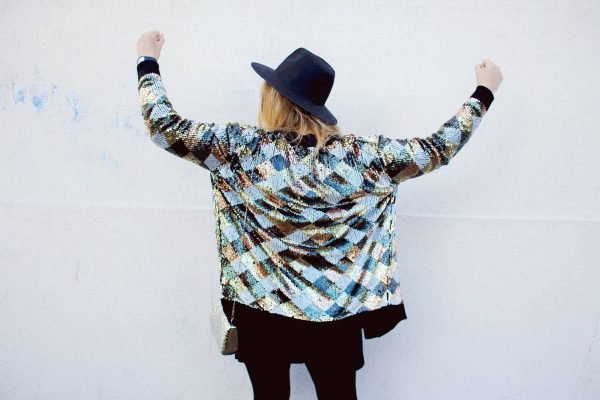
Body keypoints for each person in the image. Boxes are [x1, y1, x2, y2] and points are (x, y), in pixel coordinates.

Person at [135, 30, 503, 400]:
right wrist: (483, 92)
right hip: (335, 314)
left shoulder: (241, 149)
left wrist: (147, 60)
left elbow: (164, 127)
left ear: (276, 99)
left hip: (261, 309)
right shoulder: (362, 158)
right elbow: (437, 149)